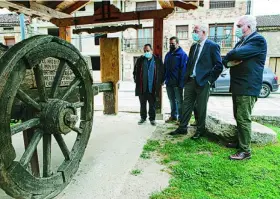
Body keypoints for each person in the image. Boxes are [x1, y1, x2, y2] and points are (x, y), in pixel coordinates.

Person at [222, 15, 267, 160]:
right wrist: (229, 61)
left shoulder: (258, 40)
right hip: (238, 86)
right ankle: (240, 143)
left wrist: (230, 56)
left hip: (248, 86)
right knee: (238, 116)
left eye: (240, 26)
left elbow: (235, 53)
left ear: (248, 26)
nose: (238, 29)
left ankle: (245, 151)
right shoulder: (242, 41)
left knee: (243, 118)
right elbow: (225, 60)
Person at [170, 25, 223, 138]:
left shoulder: (212, 46)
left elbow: (219, 65)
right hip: (190, 81)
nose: (193, 33)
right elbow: (189, 64)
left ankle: (200, 130)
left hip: (203, 82)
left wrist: (209, 80)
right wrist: (186, 77)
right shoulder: (194, 46)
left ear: (203, 32)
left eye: (196, 31)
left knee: (201, 107)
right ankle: (182, 128)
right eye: (193, 31)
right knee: (186, 105)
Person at [133, 44, 164, 126]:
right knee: (142, 104)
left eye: (148, 50)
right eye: (145, 51)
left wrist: (161, 82)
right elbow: (135, 71)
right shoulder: (140, 60)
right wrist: (136, 80)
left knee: (152, 104)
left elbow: (162, 72)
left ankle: (152, 119)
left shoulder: (157, 60)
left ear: (151, 50)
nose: (146, 52)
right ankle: (143, 118)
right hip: (142, 86)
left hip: (152, 87)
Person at [164, 36, 188, 124]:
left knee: (179, 102)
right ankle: (173, 116)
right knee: (171, 100)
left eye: (172, 44)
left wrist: (181, 83)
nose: (171, 45)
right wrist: (164, 79)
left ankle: (181, 119)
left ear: (177, 44)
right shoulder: (168, 55)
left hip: (177, 83)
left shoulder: (182, 55)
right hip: (169, 82)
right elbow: (165, 68)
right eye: (170, 44)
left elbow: (184, 71)